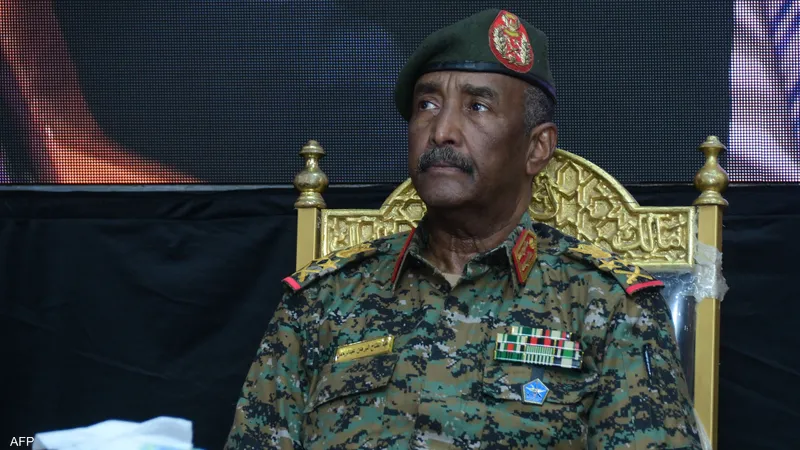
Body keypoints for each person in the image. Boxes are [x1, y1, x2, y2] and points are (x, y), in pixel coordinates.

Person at [225, 9, 702, 449]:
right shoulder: (322, 302)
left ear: (537, 148)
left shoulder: (610, 306)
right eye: (427, 105)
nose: (441, 131)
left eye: (477, 107)